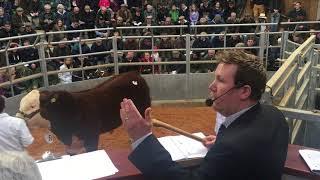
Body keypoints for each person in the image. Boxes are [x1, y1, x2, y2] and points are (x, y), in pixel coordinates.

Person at [120, 50, 289, 180]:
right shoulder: (275, 115)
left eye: (221, 80)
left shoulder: (231, 147)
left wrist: (141, 138)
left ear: (244, 91)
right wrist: (221, 142)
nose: (211, 86)